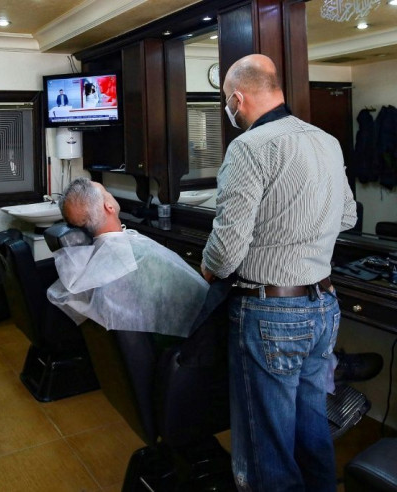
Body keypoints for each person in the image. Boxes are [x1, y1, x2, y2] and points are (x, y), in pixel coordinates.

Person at [200, 55, 357, 492]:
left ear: (237, 98)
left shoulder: (249, 148)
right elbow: (347, 216)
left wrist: (208, 266)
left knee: (266, 442)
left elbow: (227, 252)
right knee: (312, 429)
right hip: (324, 308)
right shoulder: (326, 141)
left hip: (270, 314)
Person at [47, 177, 208, 336]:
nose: (110, 194)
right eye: (107, 192)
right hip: (181, 337)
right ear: (108, 206)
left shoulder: (95, 256)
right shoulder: (134, 256)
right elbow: (196, 299)